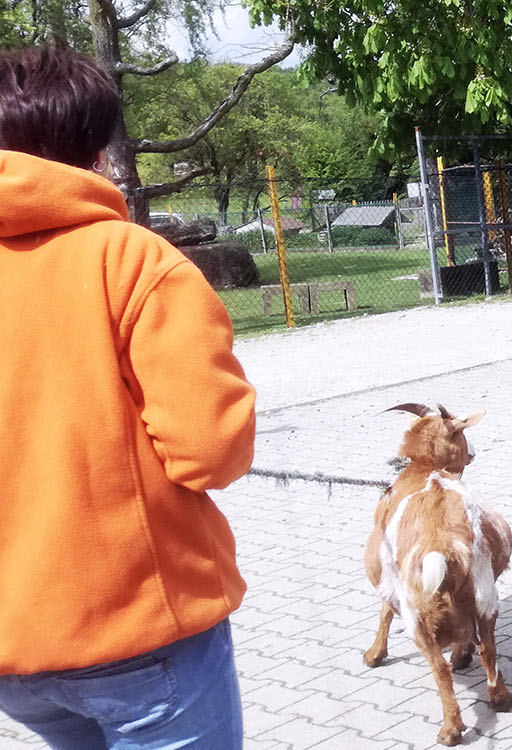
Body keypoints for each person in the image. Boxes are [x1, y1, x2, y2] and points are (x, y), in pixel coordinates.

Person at [0, 44, 257, 749]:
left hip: (14, 649)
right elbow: (211, 451)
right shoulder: (132, 260)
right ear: (94, 150)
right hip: (139, 634)